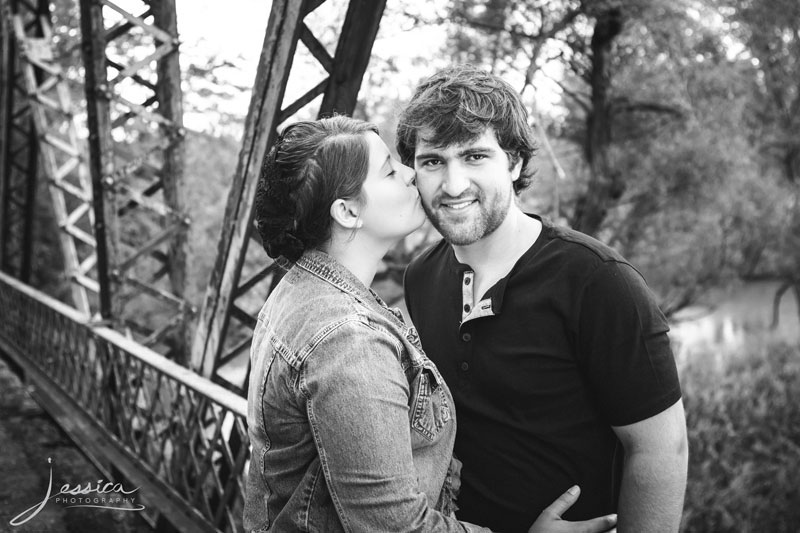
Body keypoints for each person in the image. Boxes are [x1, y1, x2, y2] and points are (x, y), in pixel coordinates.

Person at [244, 115, 618, 532]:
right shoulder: (348, 342)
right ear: (348, 212)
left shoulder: (300, 289)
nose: (411, 176)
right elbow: (395, 528)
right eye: (390, 171)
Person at [397, 65, 689, 533]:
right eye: (433, 161)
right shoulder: (421, 278)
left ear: (513, 163)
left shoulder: (598, 282)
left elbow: (660, 449)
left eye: (474, 157)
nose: (452, 185)